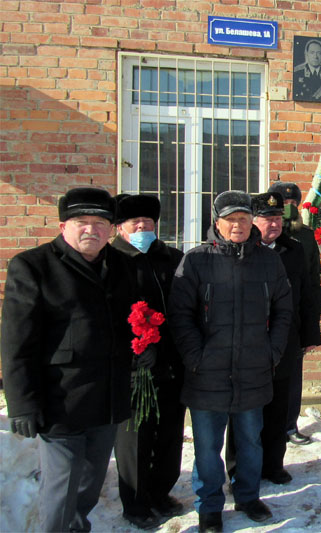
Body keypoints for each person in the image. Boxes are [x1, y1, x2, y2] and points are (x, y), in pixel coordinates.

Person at [1, 187, 140, 532]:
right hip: (59, 401)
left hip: (107, 399)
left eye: (100, 222)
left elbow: (132, 319)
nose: (91, 229)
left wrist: (143, 347)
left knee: (89, 485)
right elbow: (16, 342)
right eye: (82, 222)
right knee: (61, 489)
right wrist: (21, 404)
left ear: (111, 229)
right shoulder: (34, 266)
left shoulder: (123, 265)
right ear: (63, 226)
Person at [168, 191, 293, 532]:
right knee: (208, 447)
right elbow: (180, 315)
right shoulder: (195, 260)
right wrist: (196, 356)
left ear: (251, 220)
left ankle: (248, 496)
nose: (237, 225)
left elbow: (284, 310)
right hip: (207, 373)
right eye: (230, 219)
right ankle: (209, 506)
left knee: (251, 441)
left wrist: (272, 351)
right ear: (217, 222)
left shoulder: (269, 261)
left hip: (254, 367)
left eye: (242, 218)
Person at [226, 192, 321, 486]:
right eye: (268, 219)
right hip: (249, 342)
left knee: (279, 405)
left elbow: (306, 292)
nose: (275, 224)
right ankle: (238, 468)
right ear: (254, 221)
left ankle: (273, 464)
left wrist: (309, 334)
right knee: (244, 409)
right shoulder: (241, 249)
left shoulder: (293, 250)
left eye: (278, 218)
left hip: (285, 340)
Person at [111, 194, 186, 529]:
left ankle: (161, 492)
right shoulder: (110, 260)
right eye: (134, 223)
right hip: (132, 367)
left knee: (169, 431)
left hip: (170, 362)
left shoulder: (171, 257)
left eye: (148, 223)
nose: (142, 228)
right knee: (135, 436)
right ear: (120, 227)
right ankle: (137, 503)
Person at [267, 181, 321, 446]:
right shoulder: (263, 236)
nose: (288, 208)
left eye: (293, 204)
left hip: (296, 316)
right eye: (283, 203)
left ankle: (290, 425)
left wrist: (313, 320)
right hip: (266, 318)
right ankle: (266, 427)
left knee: (292, 375)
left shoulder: (306, 236)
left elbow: (313, 279)